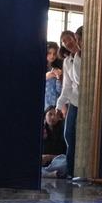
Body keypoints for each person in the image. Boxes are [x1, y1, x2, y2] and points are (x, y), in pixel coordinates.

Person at [56, 28, 81, 178]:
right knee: (68, 134)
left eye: (69, 39)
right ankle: (71, 172)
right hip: (74, 100)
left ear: (75, 38)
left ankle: (79, 171)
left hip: (87, 99)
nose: (67, 43)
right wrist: (59, 105)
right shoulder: (66, 61)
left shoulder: (83, 55)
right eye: (64, 41)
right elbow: (66, 86)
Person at [41, 106, 67, 177]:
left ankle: (45, 173)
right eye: (50, 114)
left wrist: (49, 157)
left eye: (56, 115)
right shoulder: (42, 129)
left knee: (65, 162)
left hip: (57, 163)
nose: (53, 117)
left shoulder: (63, 131)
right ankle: (48, 174)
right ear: (45, 116)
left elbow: (65, 155)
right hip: (43, 164)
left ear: (59, 118)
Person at [44, 41, 63, 110]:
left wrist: (58, 78)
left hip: (55, 105)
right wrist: (46, 77)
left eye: (54, 54)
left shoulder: (58, 68)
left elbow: (60, 90)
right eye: (49, 53)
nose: (52, 56)